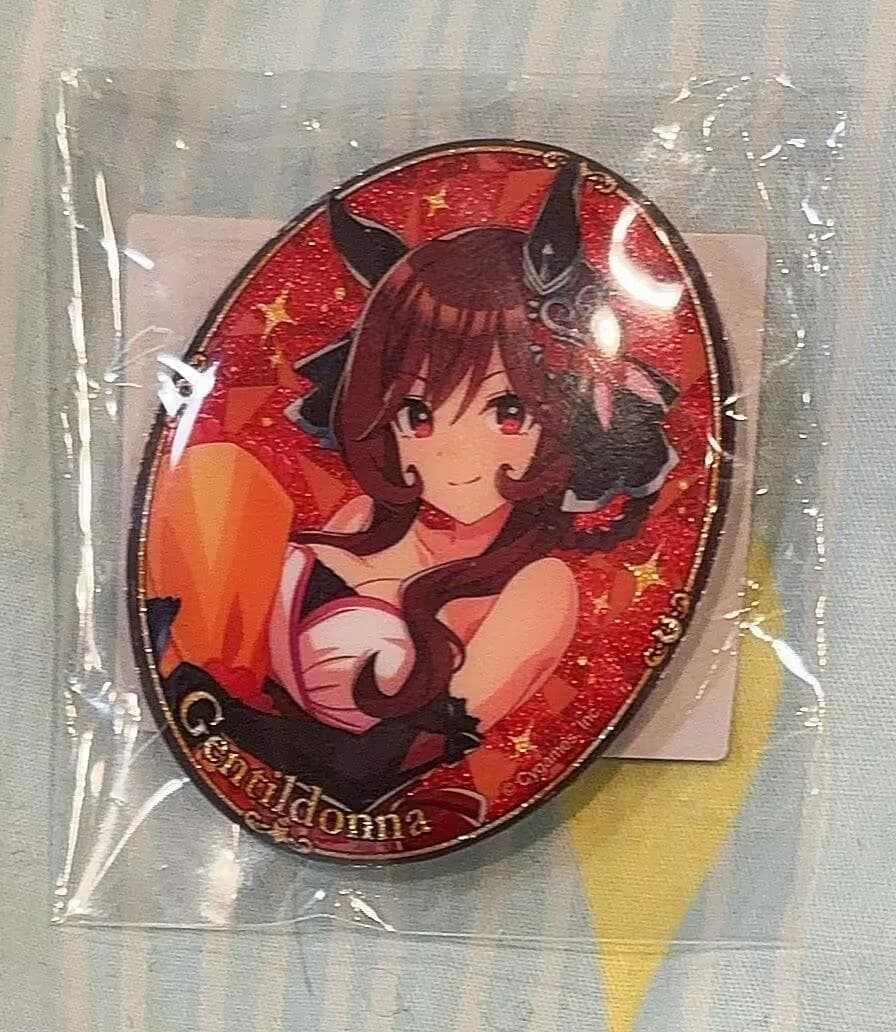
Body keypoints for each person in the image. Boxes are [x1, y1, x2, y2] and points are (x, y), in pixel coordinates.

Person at [148, 162, 679, 810]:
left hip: (326, 796)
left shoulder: (539, 588)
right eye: (418, 414)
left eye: (506, 411)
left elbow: (372, 773)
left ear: (566, 412)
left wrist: (212, 713)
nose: (454, 457)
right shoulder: (363, 516)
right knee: (217, 473)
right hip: (216, 749)